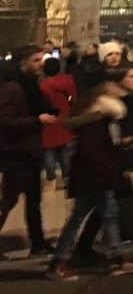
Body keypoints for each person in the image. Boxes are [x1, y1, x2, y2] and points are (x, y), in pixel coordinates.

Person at [46, 57, 133, 280]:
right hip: (95, 174)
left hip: (93, 174)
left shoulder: (98, 112)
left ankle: (111, 259)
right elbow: (93, 149)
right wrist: (111, 165)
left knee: (100, 215)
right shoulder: (99, 115)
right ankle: (66, 262)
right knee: (96, 216)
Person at [0, 45, 57, 255]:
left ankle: (38, 243)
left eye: (42, 59)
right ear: (23, 62)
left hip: (31, 151)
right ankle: (38, 243)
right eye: (36, 60)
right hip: (17, 153)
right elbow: (5, 121)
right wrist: (37, 120)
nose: (41, 63)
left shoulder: (32, 84)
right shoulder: (13, 87)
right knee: (9, 200)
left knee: (33, 201)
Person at [39, 56, 75, 188]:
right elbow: (73, 99)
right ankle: (66, 177)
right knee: (65, 150)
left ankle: (51, 178)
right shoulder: (69, 81)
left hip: (48, 121)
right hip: (65, 118)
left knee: (49, 150)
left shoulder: (42, 85)